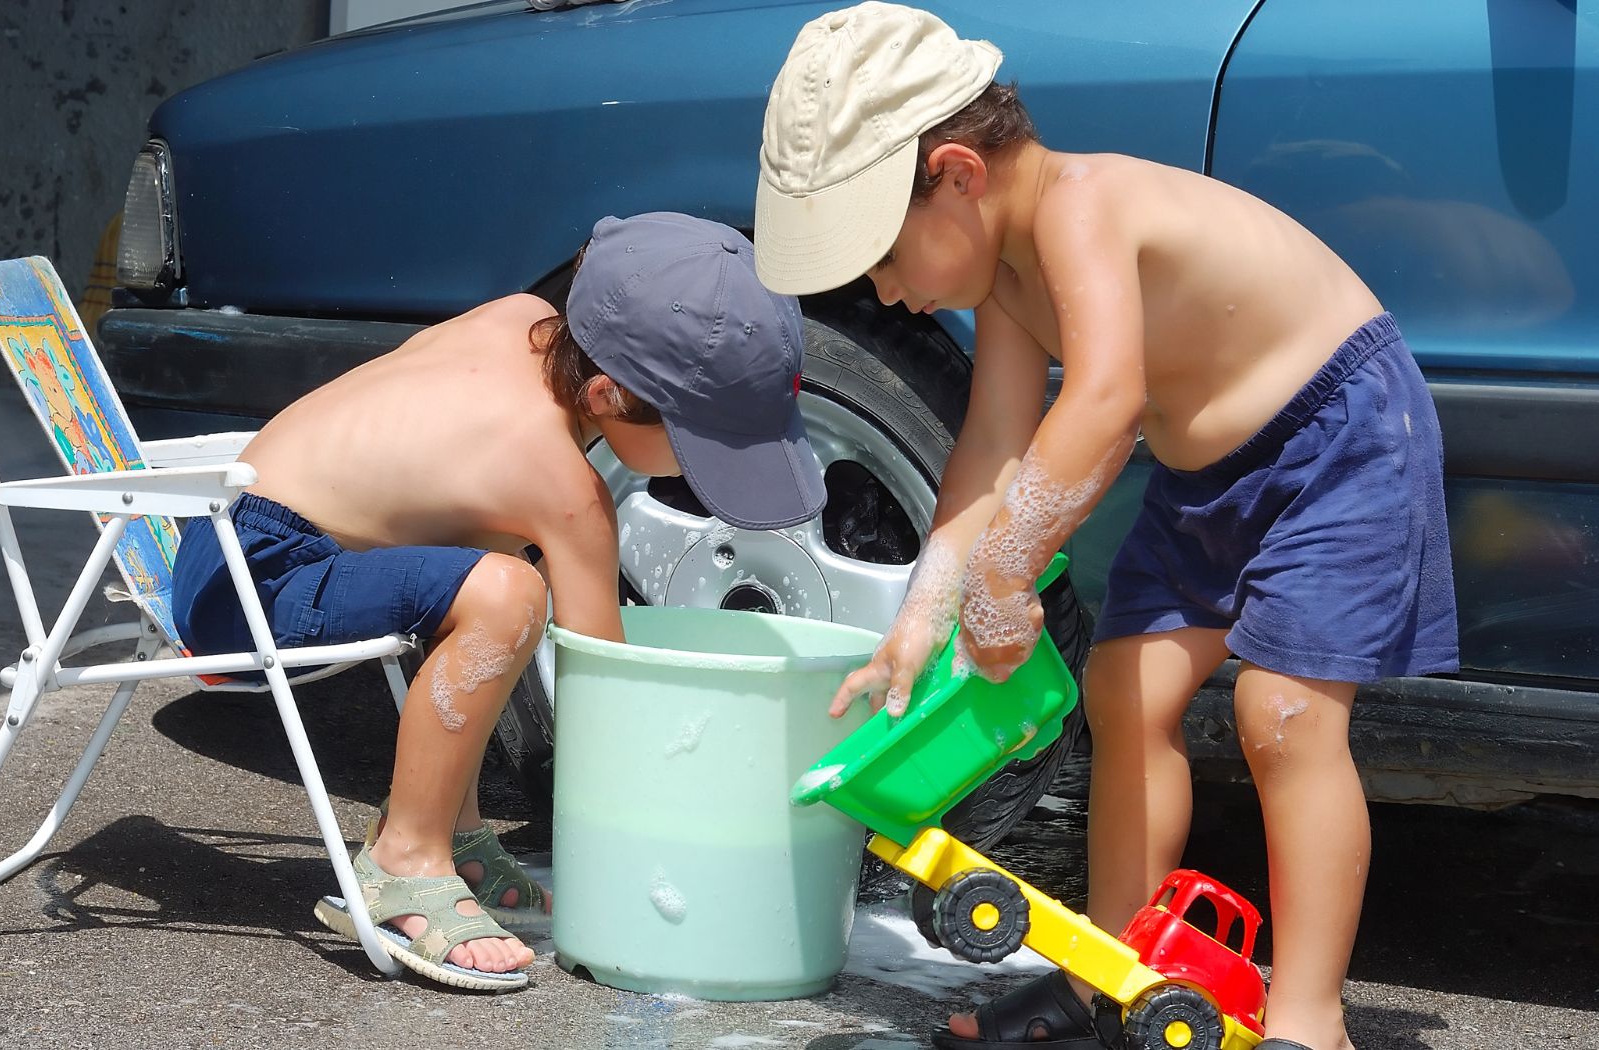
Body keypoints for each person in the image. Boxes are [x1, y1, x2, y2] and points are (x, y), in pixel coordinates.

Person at [752, 5, 1457, 1049]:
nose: (885, 293)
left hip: (1337, 440)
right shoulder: (1002, 282)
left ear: (955, 175)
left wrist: (1006, 578)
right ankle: (1112, 977)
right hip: (1204, 473)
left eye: (880, 256)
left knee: (1285, 716)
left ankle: (1311, 1018)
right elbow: (995, 448)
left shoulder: (1084, 204)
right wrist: (926, 611)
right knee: (1122, 693)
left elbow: (1101, 401)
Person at [169, 212, 824, 991]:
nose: (696, 471)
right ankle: (403, 861)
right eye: (698, 445)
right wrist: (693, 820)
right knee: (510, 592)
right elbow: (603, 689)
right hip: (253, 589)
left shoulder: (524, 321)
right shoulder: (561, 487)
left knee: (490, 564)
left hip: (226, 536)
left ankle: (455, 821)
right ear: (609, 394)